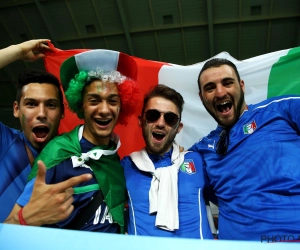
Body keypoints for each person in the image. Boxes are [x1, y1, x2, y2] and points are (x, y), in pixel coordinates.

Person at [7, 49, 140, 233]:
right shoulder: (57, 152)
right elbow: (10, 229)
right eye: (94, 100)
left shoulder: (116, 161)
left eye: (112, 101)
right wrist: (26, 218)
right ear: (81, 105)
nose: (104, 110)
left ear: (122, 105)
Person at [190, 58, 300, 241]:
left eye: (227, 83)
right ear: (202, 98)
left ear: (241, 86)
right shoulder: (200, 151)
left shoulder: (282, 109)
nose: (220, 92)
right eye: (210, 88)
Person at [0, 40, 91, 224]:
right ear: (16, 109)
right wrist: (17, 50)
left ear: (63, 112)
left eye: (50, 105)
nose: (41, 114)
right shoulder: (3, 141)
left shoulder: (75, 160)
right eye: (31, 104)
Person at [121, 84, 214, 239]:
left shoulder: (197, 160)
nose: (161, 123)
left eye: (170, 118)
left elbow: (230, 198)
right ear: (141, 120)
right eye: (152, 115)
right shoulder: (126, 166)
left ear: (179, 127)